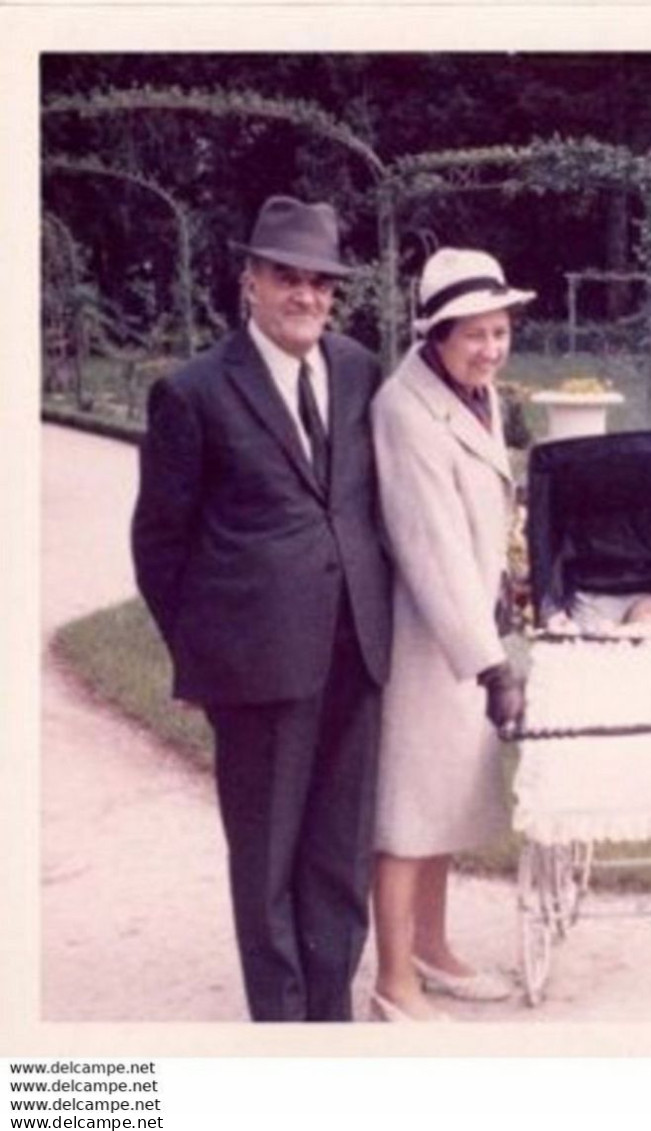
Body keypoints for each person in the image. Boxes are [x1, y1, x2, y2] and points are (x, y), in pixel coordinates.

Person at [130, 195, 393, 1022]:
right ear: (250, 282)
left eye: (321, 282)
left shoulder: (358, 370)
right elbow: (158, 547)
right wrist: (208, 656)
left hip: (359, 651)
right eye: (288, 278)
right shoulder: (194, 393)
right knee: (268, 860)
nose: (307, 297)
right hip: (256, 668)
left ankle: (331, 1017)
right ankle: (279, 1037)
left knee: (341, 858)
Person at [368, 247, 533, 1022]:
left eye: (499, 331)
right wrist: (491, 665)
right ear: (435, 333)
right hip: (427, 639)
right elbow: (428, 548)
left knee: (447, 804)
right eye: (473, 335)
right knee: (408, 812)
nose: (490, 349)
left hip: (469, 630)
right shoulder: (405, 409)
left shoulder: (477, 392)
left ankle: (434, 947)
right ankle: (394, 979)